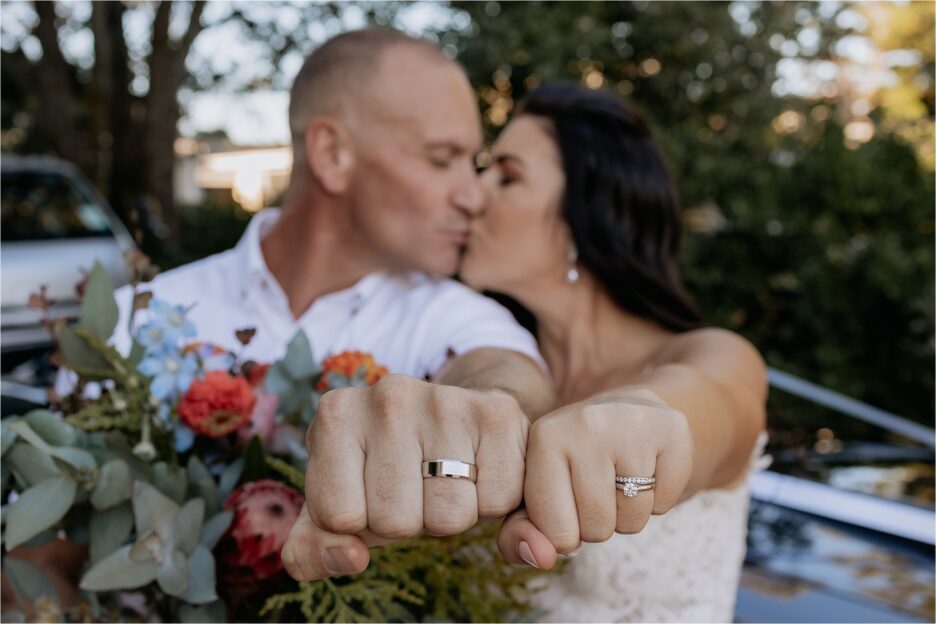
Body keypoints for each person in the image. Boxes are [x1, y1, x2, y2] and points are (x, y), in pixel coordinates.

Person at [58, 27, 556, 577]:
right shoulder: (134, 320)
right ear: (332, 153)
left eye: (473, 162)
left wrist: (496, 405)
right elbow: (52, 563)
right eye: (443, 160)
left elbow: (504, 375)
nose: (473, 195)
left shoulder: (455, 315)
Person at [455, 83, 767, 622]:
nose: (471, 194)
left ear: (583, 214)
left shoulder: (712, 353)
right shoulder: (484, 367)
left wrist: (647, 421)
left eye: (507, 176)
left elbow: (713, 404)